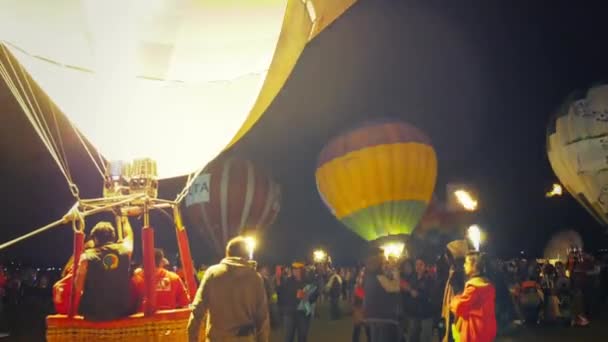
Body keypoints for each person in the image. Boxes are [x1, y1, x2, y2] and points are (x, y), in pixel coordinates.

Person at [188, 236, 269, 342]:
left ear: (227, 253)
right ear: (246, 255)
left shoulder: (213, 273)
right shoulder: (255, 278)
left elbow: (197, 311)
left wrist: (192, 339)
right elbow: (262, 319)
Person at [75, 216, 134, 321]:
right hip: (121, 310)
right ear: (113, 236)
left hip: (93, 313)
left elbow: (78, 287)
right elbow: (129, 236)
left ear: (95, 239)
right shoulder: (126, 251)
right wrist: (125, 219)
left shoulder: (85, 257)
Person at [450, 252, 496, 342]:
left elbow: (459, 306)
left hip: (474, 331)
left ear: (474, 266)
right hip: (486, 329)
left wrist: (454, 299)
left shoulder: (474, 287)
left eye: (466, 262)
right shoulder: (488, 285)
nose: (464, 265)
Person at [363, 250, 401, 342]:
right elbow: (394, 287)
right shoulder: (379, 277)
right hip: (382, 317)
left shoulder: (368, 276)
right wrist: (396, 271)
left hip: (372, 316)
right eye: (384, 263)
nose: (386, 265)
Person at [277, 262, 318, 342]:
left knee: (302, 337)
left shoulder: (308, 281)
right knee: (288, 337)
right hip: (290, 313)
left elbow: (315, 295)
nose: (295, 271)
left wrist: (307, 296)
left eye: (297, 270)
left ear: (302, 270)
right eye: (294, 270)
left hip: (303, 313)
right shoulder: (288, 281)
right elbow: (281, 295)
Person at [405, 258, 434, 342]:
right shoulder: (412, 278)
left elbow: (430, 295)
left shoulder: (429, 279)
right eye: (417, 264)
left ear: (425, 266)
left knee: (425, 338)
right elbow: (408, 292)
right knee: (413, 337)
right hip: (414, 314)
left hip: (426, 315)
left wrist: (418, 294)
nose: (418, 267)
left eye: (421, 264)